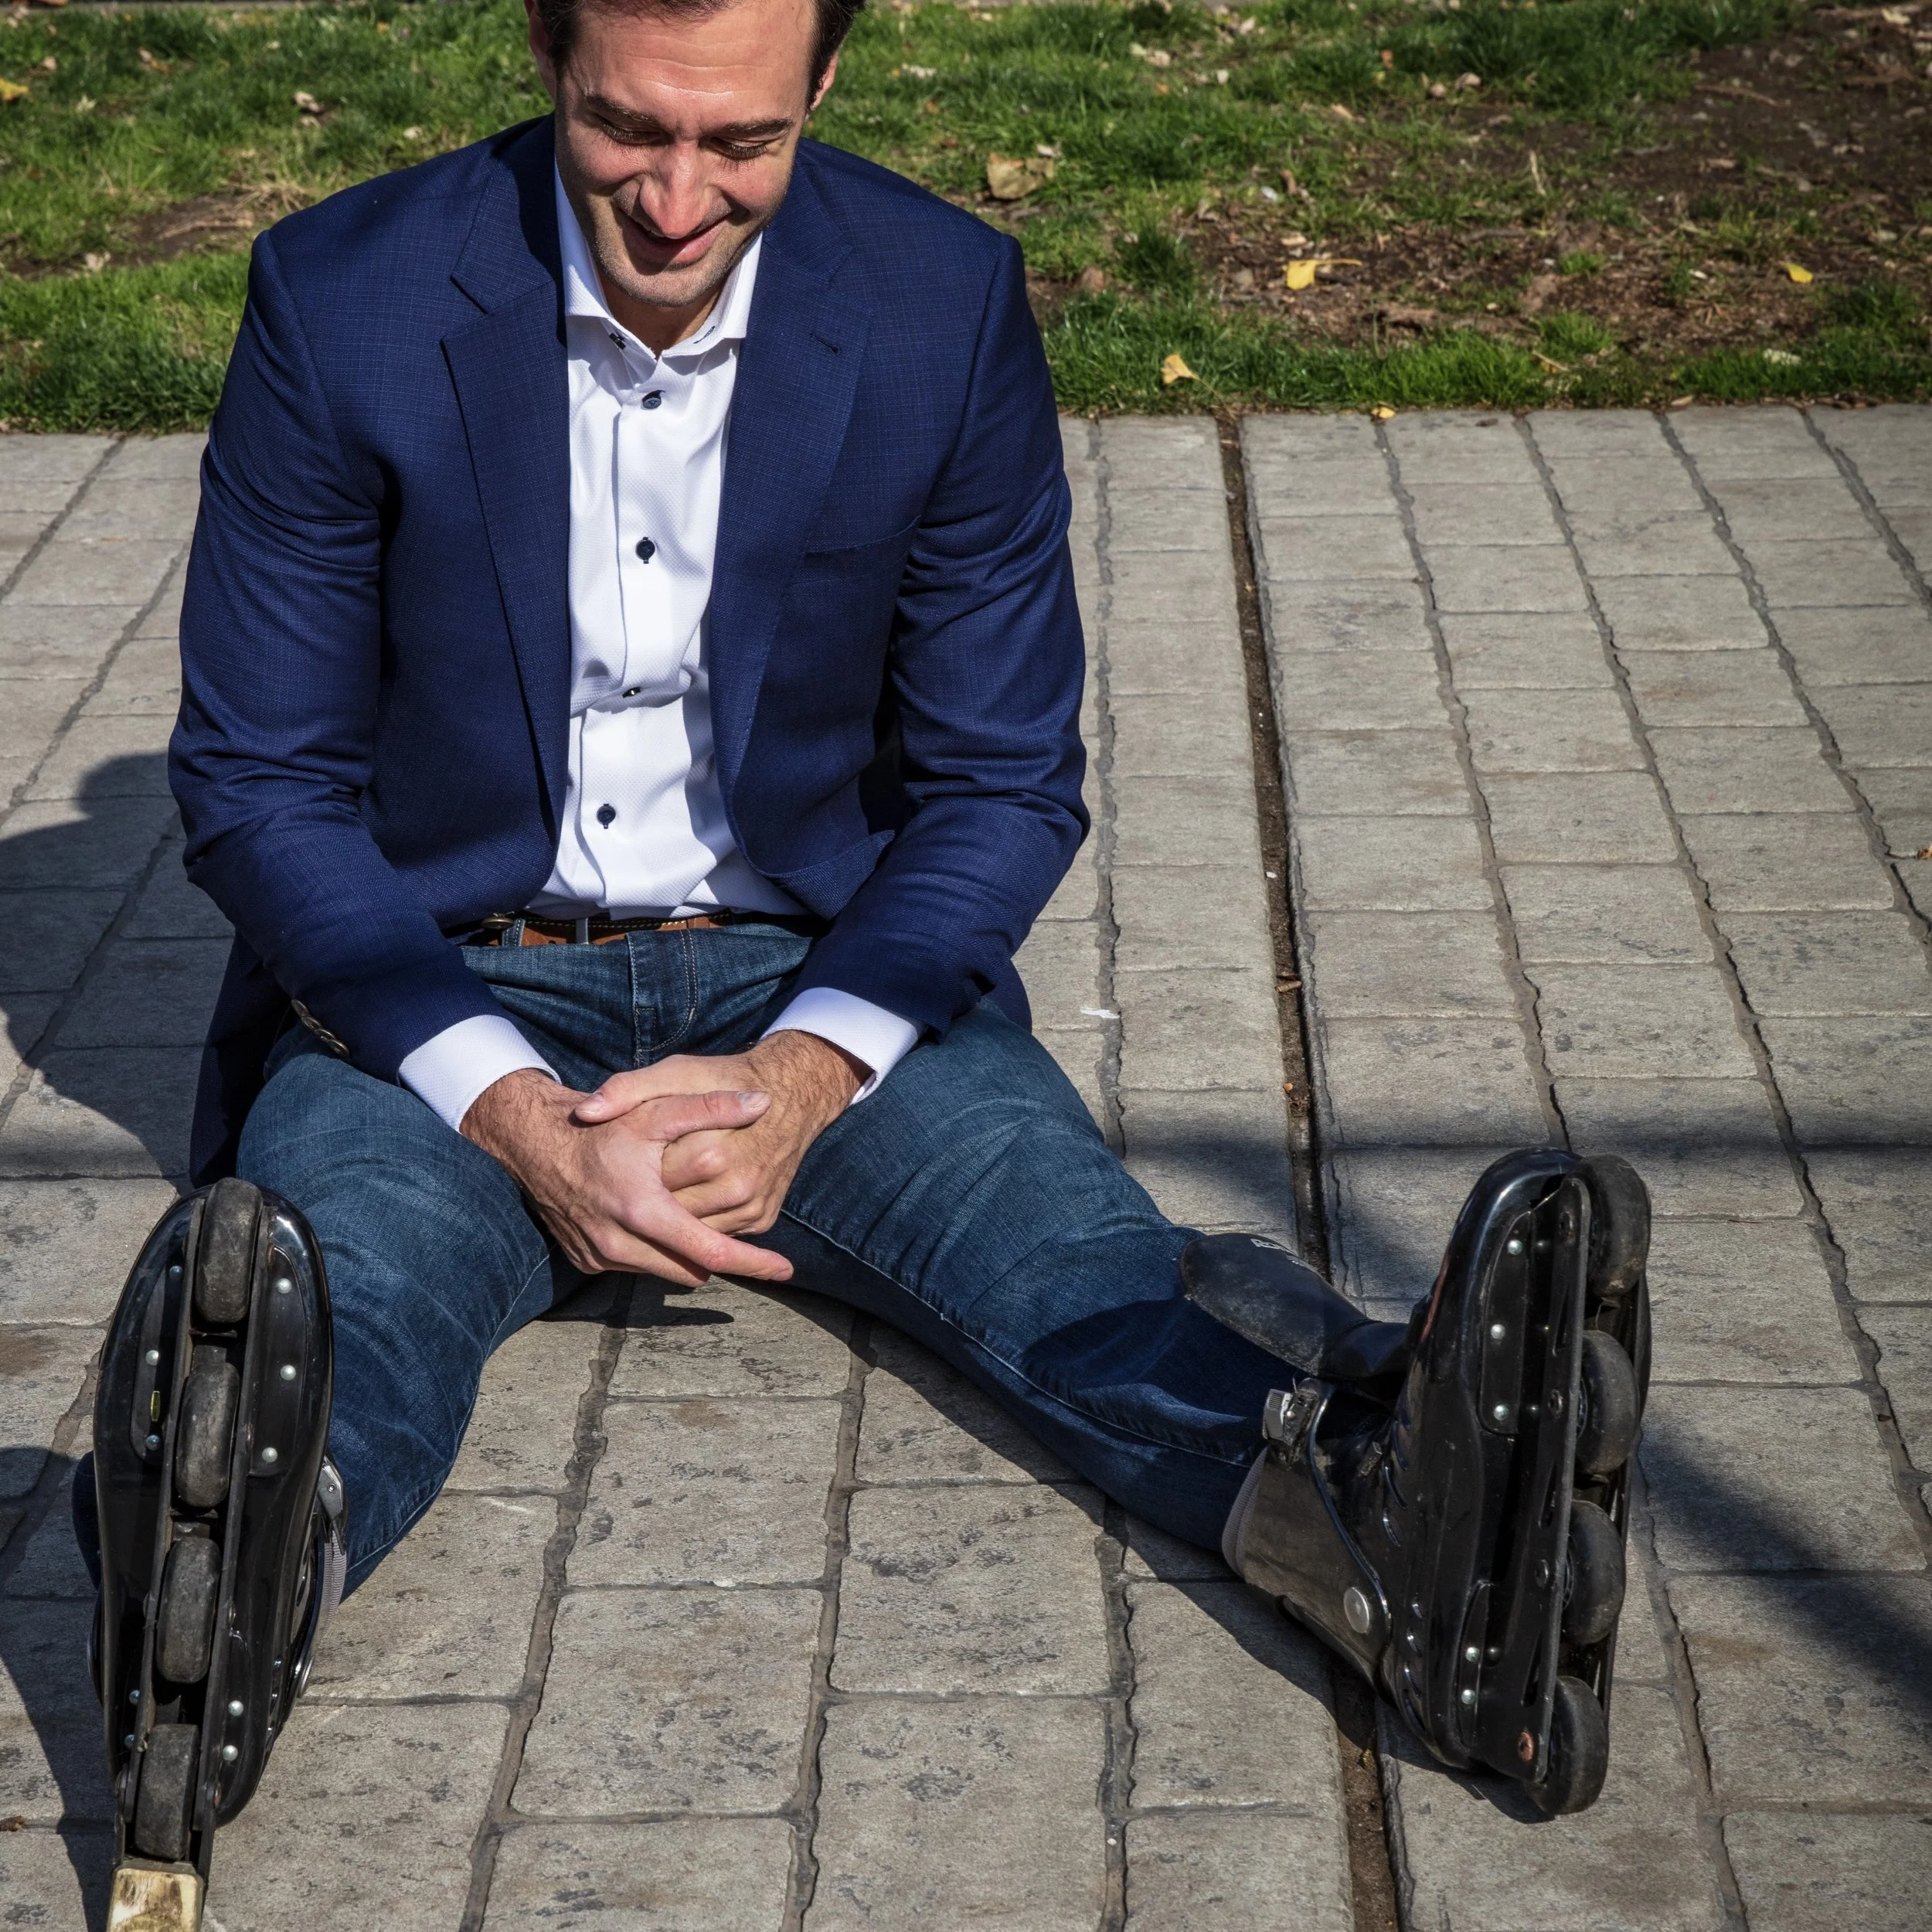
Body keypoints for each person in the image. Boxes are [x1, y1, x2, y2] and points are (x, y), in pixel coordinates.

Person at [81, 0, 1651, 1923]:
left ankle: (1383, 1510)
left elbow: (999, 780)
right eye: (619, 132)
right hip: (443, 978)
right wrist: (501, 1102)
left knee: (1067, 1266)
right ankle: (232, 1571)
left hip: (810, 973)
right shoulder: (344, 296)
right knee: (360, 1289)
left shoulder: (934, 298)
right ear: (539, 59)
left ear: (827, 84)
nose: (672, 200)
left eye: (738, 144)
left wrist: (809, 1068)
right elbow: (259, 786)